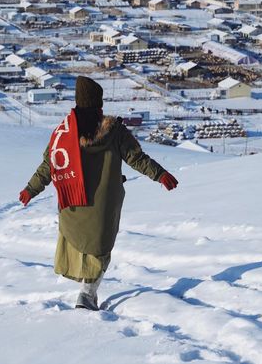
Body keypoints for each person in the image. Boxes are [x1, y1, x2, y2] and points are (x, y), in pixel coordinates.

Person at [19, 76, 179, 310]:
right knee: (100, 246)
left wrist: (30, 189)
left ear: (76, 101)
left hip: (73, 201)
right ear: (99, 103)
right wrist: (160, 174)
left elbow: (49, 165)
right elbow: (136, 157)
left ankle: (85, 291)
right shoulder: (114, 131)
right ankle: (88, 293)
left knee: (78, 240)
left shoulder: (63, 134)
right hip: (104, 202)